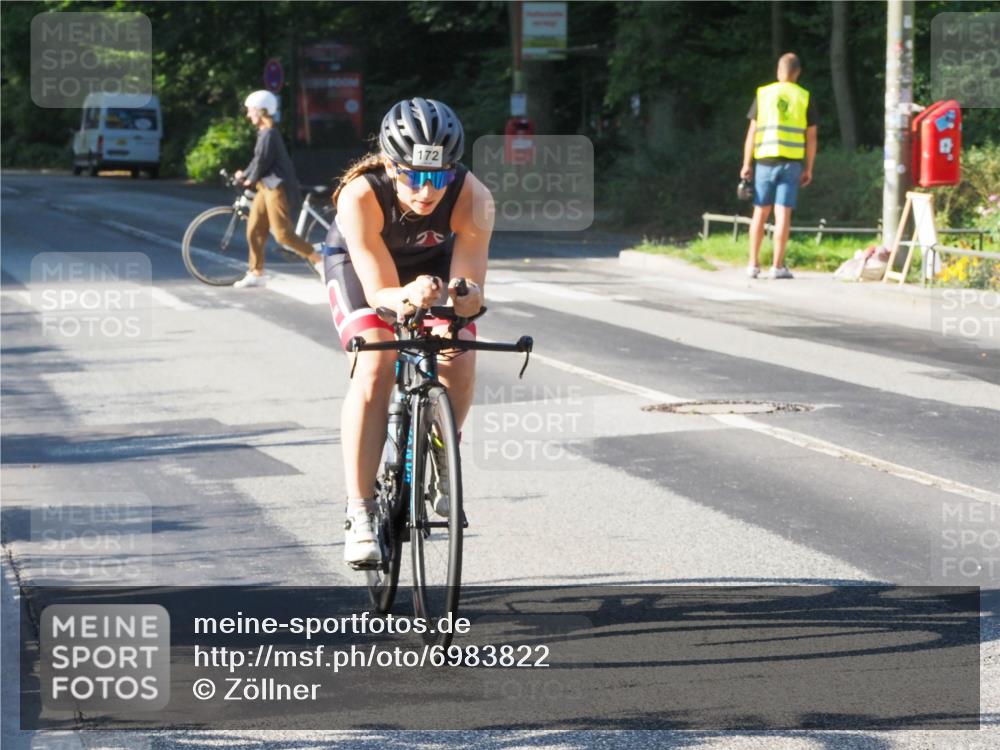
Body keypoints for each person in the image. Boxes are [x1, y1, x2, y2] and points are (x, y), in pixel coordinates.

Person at [322, 97, 492, 566]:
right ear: (391, 167)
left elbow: (471, 290)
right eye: (413, 176)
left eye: (437, 177)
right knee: (376, 362)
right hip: (364, 271)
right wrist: (408, 295)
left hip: (432, 268)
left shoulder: (474, 197)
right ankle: (360, 511)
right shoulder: (361, 195)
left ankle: (442, 452)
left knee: (458, 351)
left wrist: (464, 295)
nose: (426, 190)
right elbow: (379, 293)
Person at [232, 90, 323, 288]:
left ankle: (319, 260)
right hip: (265, 187)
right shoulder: (265, 133)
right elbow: (258, 160)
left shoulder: (270, 134)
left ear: (261, 110)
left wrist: (249, 178)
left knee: (282, 234)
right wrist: (246, 174)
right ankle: (256, 272)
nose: (248, 115)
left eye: (250, 111)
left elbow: (263, 161)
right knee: (254, 229)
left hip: (276, 188)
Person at [740, 53, 818, 280]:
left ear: (778, 71)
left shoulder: (764, 94)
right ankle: (777, 266)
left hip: (764, 161)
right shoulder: (804, 96)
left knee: (760, 212)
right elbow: (812, 137)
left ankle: (753, 265)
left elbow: (752, 132)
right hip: (792, 162)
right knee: (782, 214)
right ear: (798, 73)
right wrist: (809, 167)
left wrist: (746, 163)